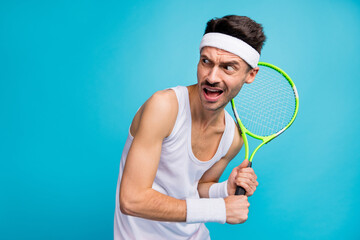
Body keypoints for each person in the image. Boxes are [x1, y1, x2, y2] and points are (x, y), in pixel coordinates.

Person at [114, 15, 266, 240]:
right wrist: (220, 209)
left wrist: (225, 189)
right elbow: (132, 200)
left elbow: (196, 188)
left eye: (228, 67)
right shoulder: (164, 107)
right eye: (206, 62)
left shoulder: (233, 138)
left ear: (250, 74)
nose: (212, 77)